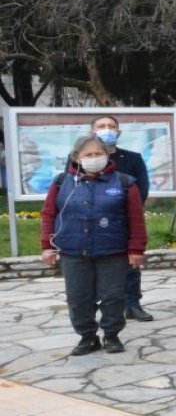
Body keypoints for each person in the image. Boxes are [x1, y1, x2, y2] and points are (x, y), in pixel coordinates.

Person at [40, 135, 148, 356]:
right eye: (88, 155)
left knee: (113, 296)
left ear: (107, 155)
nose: (93, 158)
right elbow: (49, 213)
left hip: (113, 251)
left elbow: (136, 218)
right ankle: (87, 337)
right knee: (78, 297)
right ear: (77, 157)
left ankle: (111, 335)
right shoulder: (62, 182)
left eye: (98, 154)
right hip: (73, 251)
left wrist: (136, 249)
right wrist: (47, 245)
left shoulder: (125, 182)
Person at [88, 115, 153, 322]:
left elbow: (141, 190)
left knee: (131, 264)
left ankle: (132, 304)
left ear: (118, 132)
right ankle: (100, 306)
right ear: (92, 132)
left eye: (111, 126)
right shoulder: (83, 159)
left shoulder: (132, 158)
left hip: (123, 220)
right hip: (91, 222)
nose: (106, 129)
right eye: (101, 126)